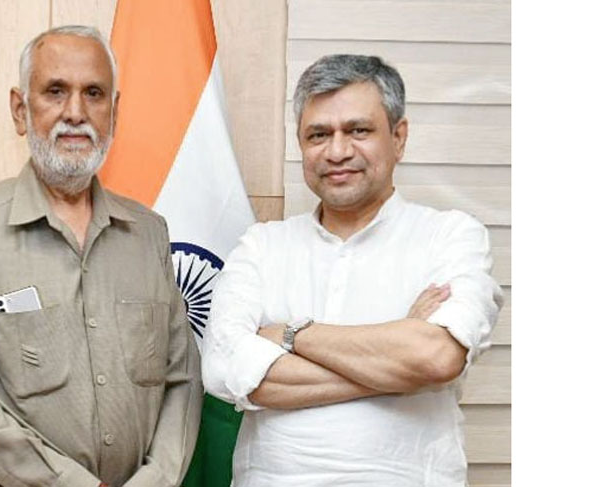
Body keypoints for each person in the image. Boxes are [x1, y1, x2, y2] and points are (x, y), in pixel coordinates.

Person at [201, 54, 503, 486]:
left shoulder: (450, 235)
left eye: (358, 130)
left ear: (398, 137)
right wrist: (399, 357)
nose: (337, 151)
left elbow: (436, 356)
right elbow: (224, 371)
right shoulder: (262, 246)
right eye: (318, 135)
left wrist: (291, 334)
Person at [0, 25, 202, 487]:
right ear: (20, 109)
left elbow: (182, 377)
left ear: (114, 111)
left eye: (94, 93)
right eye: (55, 91)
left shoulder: (148, 232)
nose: (76, 112)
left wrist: (158, 478)